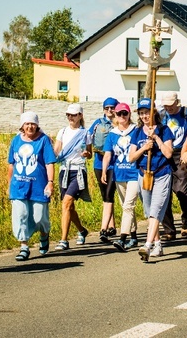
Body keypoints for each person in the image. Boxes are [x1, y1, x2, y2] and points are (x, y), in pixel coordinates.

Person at [128, 98, 174, 261]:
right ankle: (158, 245)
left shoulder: (164, 130)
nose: (144, 116)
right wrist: (144, 148)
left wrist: (157, 139)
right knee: (149, 212)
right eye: (141, 113)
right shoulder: (137, 132)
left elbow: (168, 153)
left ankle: (147, 246)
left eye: (147, 112)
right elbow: (131, 157)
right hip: (144, 175)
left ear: (153, 112)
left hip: (162, 173)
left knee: (156, 210)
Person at [7, 111, 56, 261]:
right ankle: (24, 247)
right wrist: (9, 184)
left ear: (37, 125)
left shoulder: (43, 140)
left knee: (40, 217)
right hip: (19, 187)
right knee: (20, 215)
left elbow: (49, 163)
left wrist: (50, 182)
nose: (30, 126)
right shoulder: (16, 141)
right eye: (27, 123)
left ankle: (44, 234)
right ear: (22, 125)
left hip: (38, 187)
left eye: (33, 123)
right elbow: (11, 164)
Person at [53, 103, 93, 251]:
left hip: (78, 170)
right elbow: (56, 152)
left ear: (80, 116)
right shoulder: (62, 132)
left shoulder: (85, 133)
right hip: (64, 170)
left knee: (67, 202)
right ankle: (82, 230)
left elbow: (90, 154)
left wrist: (86, 154)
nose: (70, 117)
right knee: (68, 206)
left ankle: (63, 240)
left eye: (74, 115)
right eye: (68, 115)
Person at [102, 102, 140, 252]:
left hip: (134, 173)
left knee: (128, 206)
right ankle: (134, 236)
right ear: (115, 116)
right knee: (126, 207)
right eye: (119, 114)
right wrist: (105, 170)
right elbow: (108, 154)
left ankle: (123, 239)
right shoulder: (112, 134)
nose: (122, 117)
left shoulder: (135, 131)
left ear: (130, 114)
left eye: (125, 113)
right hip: (119, 173)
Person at [159, 92, 187, 241]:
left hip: (181, 152)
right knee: (163, 192)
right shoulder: (161, 115)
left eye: (170, 105)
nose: (168, 108)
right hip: (165, 152)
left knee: (182, 189)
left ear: (177, 103)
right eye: (166, 105)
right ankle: (169, 229)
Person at [88, 97, 117, 244]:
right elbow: (87, 138)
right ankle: (112, 225)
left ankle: (104, 228)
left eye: (112, 107)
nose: (110, 110)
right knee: (104, 194)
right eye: (107, 108)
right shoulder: (97, 123)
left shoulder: (120, 123)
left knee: (109, 193)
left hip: (114, 164)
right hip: (99, 163)